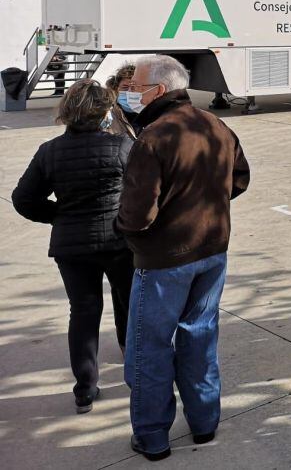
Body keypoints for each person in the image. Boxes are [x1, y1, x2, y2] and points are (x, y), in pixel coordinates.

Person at [115, 55, 250, 461]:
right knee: (199, 337)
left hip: (164, 260)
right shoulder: (215, 124)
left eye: (136, 86)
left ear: (159, 90)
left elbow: (137, 215)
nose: (129, 92)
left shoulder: (153, 137)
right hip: (211, 250)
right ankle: (204, 422)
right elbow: (239, 179)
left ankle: (153, 434)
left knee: (150, 348)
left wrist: (128, 230)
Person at [11, 80, 134, 415]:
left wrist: (60, 217)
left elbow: (24, 199)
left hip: (72, 245)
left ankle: (84, 388)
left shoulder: (49, 151)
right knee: (128, 304)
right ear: (104, 112)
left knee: (82, 312)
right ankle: (134, 370)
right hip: (118, 241)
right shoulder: (123, 146)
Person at [105, 63, 138, 138]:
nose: (130, 91)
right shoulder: (108, 118)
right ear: (116, 89)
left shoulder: (152, 116)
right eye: (125, 87)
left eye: (134, 87)